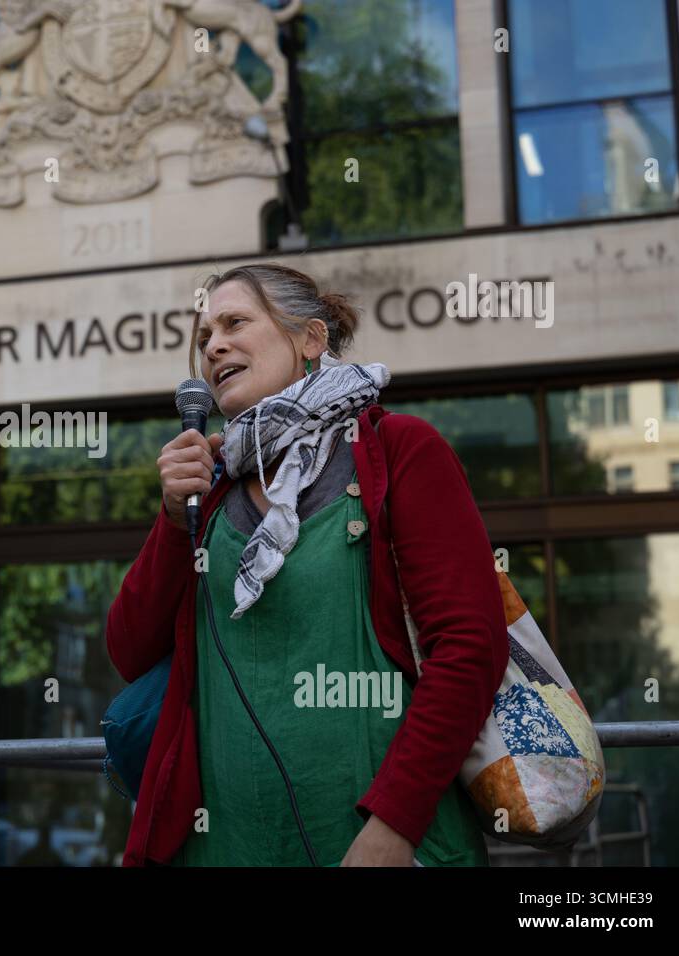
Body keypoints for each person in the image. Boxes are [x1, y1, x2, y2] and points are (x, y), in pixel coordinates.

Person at [104, 263, 509, 866]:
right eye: (203, 337)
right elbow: (129, 650)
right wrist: (170, 518)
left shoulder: (399, 451)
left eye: (235, 322)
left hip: (383, 847)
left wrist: (394, 825)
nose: (213, 345)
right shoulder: (210, 489)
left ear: (310, 340)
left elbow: (469, 646)